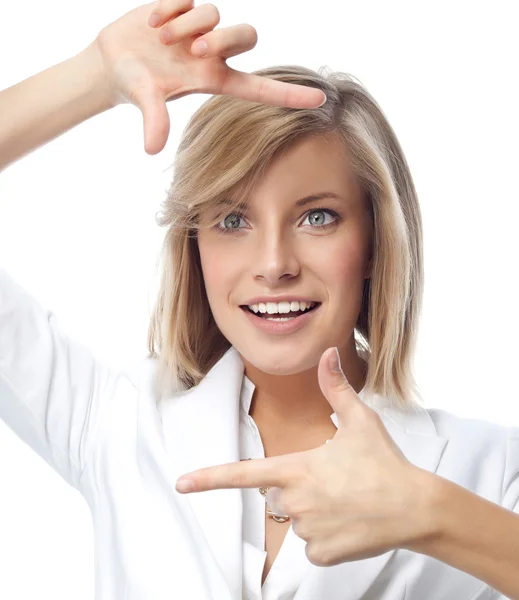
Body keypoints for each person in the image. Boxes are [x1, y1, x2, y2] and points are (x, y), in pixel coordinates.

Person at [0, 1, 518, 599]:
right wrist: (94, 74)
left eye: (317, 217)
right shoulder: (116, 421)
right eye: (233, 220)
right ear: (194, 248)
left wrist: (434, 514)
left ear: (376, 243)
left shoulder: (489, 470)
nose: (275, 265)